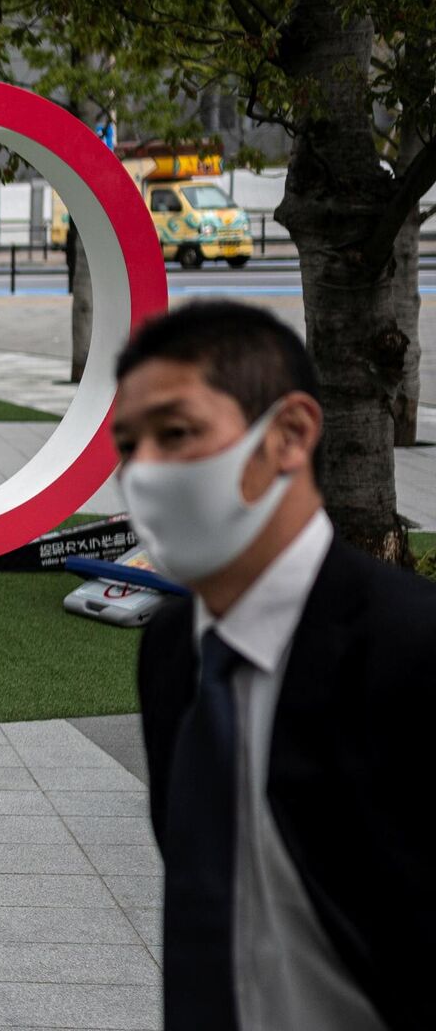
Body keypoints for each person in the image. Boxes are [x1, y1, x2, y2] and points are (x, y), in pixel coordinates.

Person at [111, 299, 435, 1031]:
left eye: (179, 433)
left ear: (289, 434)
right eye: (130, 446)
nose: (145, 474)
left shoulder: (412, 651)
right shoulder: (170, 653)